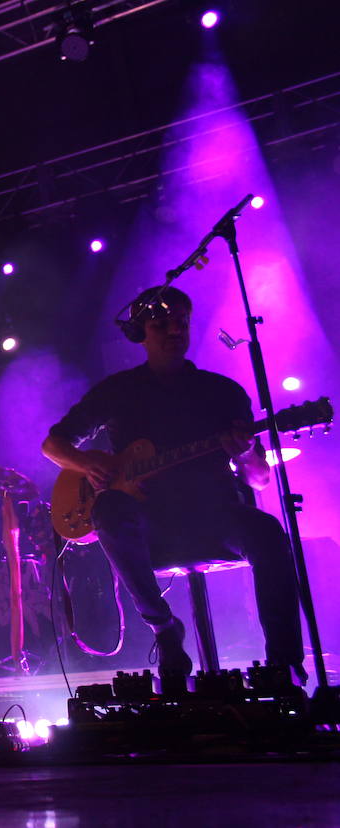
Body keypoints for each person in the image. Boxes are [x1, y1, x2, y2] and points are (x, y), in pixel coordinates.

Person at [41, 285, 304, 681]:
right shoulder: (118, 391)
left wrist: (245, 452)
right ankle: (164, 629)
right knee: (109, 509)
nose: (173, 331)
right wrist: (87, 464)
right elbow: (53, 445)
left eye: (180, 323)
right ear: (142, 334)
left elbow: (260, 479)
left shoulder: (222, 392)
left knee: (267, 531)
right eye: (161, 324)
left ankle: (283, 665)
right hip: (149, 522)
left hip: (215, 514)